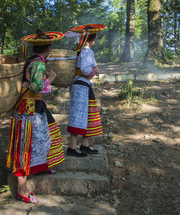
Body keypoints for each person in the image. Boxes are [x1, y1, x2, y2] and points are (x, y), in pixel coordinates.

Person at [6, 29, 65, 203]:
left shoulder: (31, 61)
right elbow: (37, 87)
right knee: (26, 146)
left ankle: (40, 166)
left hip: (30, 108)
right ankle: (22, 191)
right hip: (28, 110)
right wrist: (51, 78)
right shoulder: (38, 64)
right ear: (49, 49)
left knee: (44, 137)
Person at [66, 24, 106, 157]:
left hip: (81, 85)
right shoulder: (87, 51)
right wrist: (95, 70)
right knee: (78, 115)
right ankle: (72, 146)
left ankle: (85, 144)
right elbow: (85, 69)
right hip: (82, 86)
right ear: (93, 40)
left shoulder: (79, 50)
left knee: (87, 114)